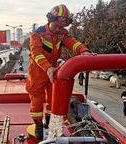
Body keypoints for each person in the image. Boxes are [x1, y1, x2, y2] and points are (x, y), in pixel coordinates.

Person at [25, 4, 96, 140]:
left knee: (53, 99)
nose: (58, 29)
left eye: (60, 27)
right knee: (37, 99)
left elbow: (72, 43)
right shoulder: (37, 34)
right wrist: (48, 68)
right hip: (37, 71)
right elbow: (36, 54)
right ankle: (39, 126)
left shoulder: (62, 34)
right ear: (49, 20)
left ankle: (49, 121)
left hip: (54, 70)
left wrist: (84, 51)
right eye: (56, 26)